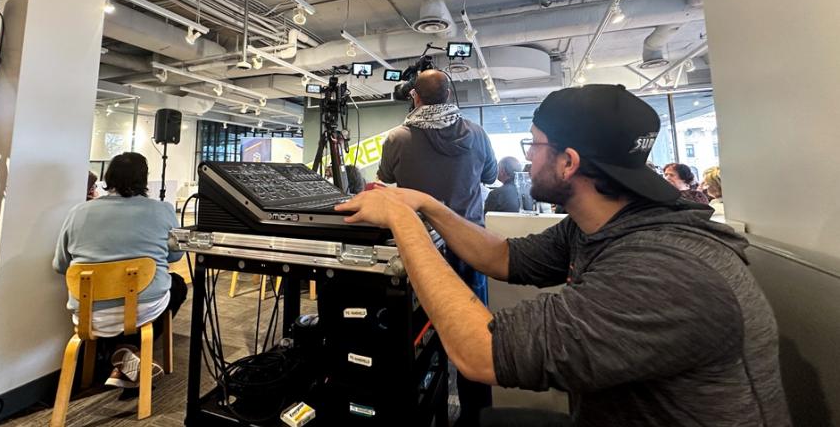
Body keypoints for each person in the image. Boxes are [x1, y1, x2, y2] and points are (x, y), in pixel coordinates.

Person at [338, 84, 789, 427]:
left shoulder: (664, 270)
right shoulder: (602, 224)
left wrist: (404, 222)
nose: (528, 158)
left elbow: (479, 353)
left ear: (568, 162)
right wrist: (426, 205)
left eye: (533, 145)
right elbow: (504, 257)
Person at [376, 69, 497, 426]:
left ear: (414, 96)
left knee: (420, 333)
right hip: (470, 245)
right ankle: (477, 416)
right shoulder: (477, 133)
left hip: (422, 248)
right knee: (477, 333)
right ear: (450, 95)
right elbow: (491, 176)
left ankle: (423, 405)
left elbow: (386, 179)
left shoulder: (397, 138)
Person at [53, 152, 187, 389]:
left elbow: (60, 265)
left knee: (119, 304)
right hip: (143, 308)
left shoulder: (78, 212)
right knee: (177, 285)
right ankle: (128, 351)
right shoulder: (163, 210)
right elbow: (175, 255)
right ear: (144, 179)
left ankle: (119, 353)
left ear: (108, 178)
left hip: (89, 312)